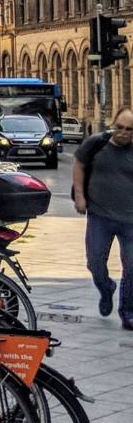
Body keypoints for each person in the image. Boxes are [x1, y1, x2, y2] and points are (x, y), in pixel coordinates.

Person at [73, 105, 133, 329]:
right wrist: (79, 195)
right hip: (99, 216)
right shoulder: (96, 143)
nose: (124, 132)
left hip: (131, 221)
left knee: (132, 268)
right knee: (95, 262)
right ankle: (106, 288)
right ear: (113, 125)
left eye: (130, 129)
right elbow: (79, 165)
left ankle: (128, 312)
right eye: (120, 127)